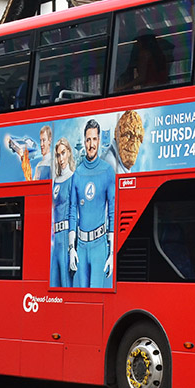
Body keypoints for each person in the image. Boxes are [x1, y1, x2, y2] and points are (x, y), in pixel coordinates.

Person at [69, 119, 116, 288]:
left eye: (94, 139)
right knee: (79, 301)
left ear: (99, 140)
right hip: (80, 246)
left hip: (99, 245)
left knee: (97, 297)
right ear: (84, 141)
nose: (91, 144)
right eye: (88, 140)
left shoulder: (107, 171)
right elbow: (72, 211)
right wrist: (71, 248)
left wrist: (111, 253)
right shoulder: (78, 173)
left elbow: (112, 211)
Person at [50, 137, 76, 288]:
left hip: (66, 236)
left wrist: (72, 247)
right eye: (58, 155)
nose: (61, 158)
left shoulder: (73, 178)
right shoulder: (55, 181)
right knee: (53, 285)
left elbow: (74, 212)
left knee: (66, 285)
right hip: (55, 239)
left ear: (69, 153)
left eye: (63, 153)